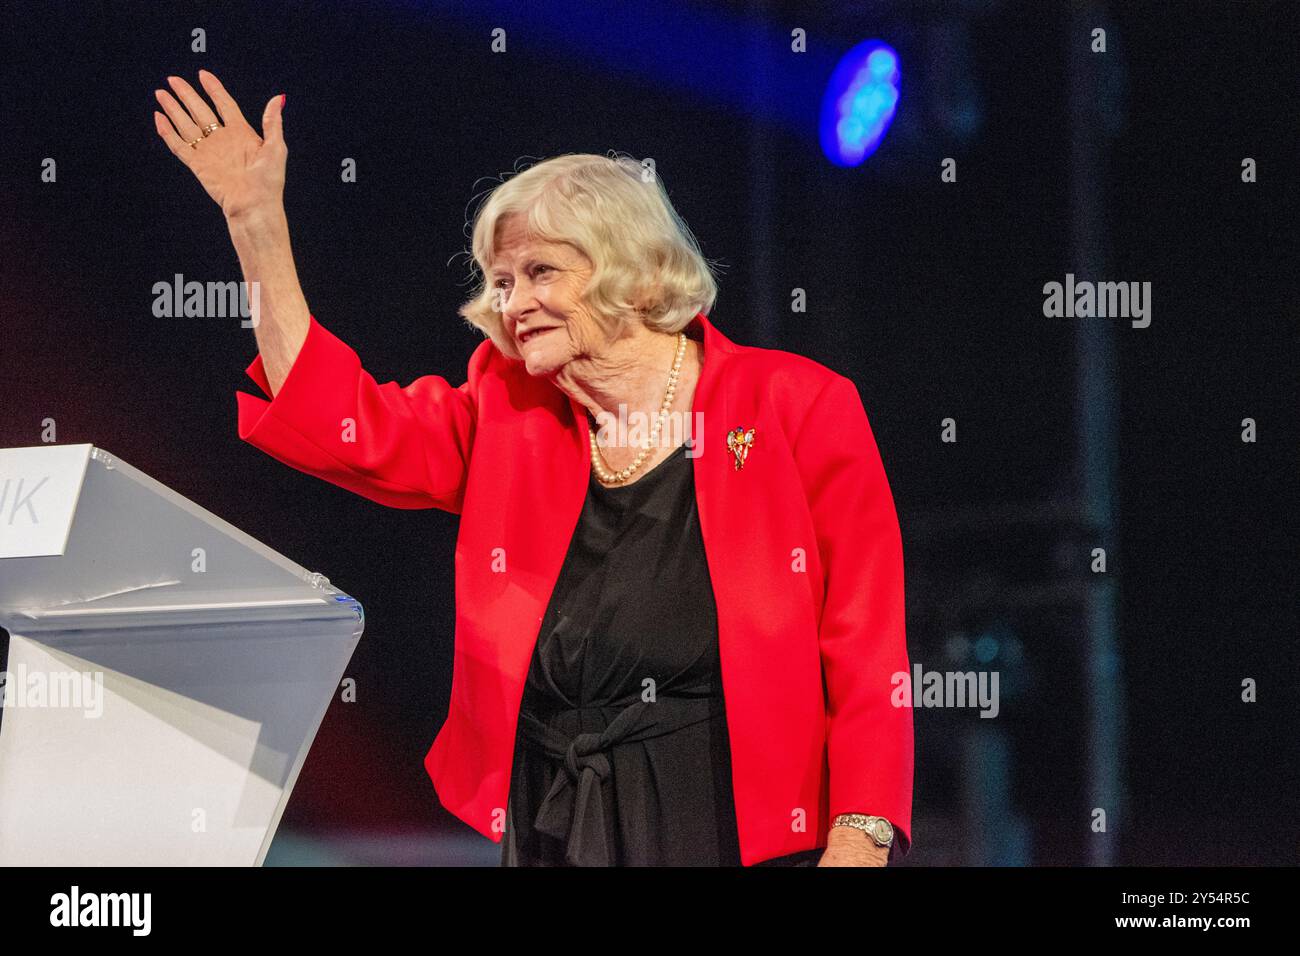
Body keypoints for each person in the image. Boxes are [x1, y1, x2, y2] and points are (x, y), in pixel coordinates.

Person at [153, 70, 914, 866]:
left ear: (638, 272)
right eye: (502, 281)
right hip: (558, 813)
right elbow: (341, 422)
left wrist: (860, 833)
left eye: (541, 273)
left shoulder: (794, 403)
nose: (513, 303)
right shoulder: (505, 408)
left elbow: (866, 641)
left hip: (734, 817)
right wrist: (255, 222)